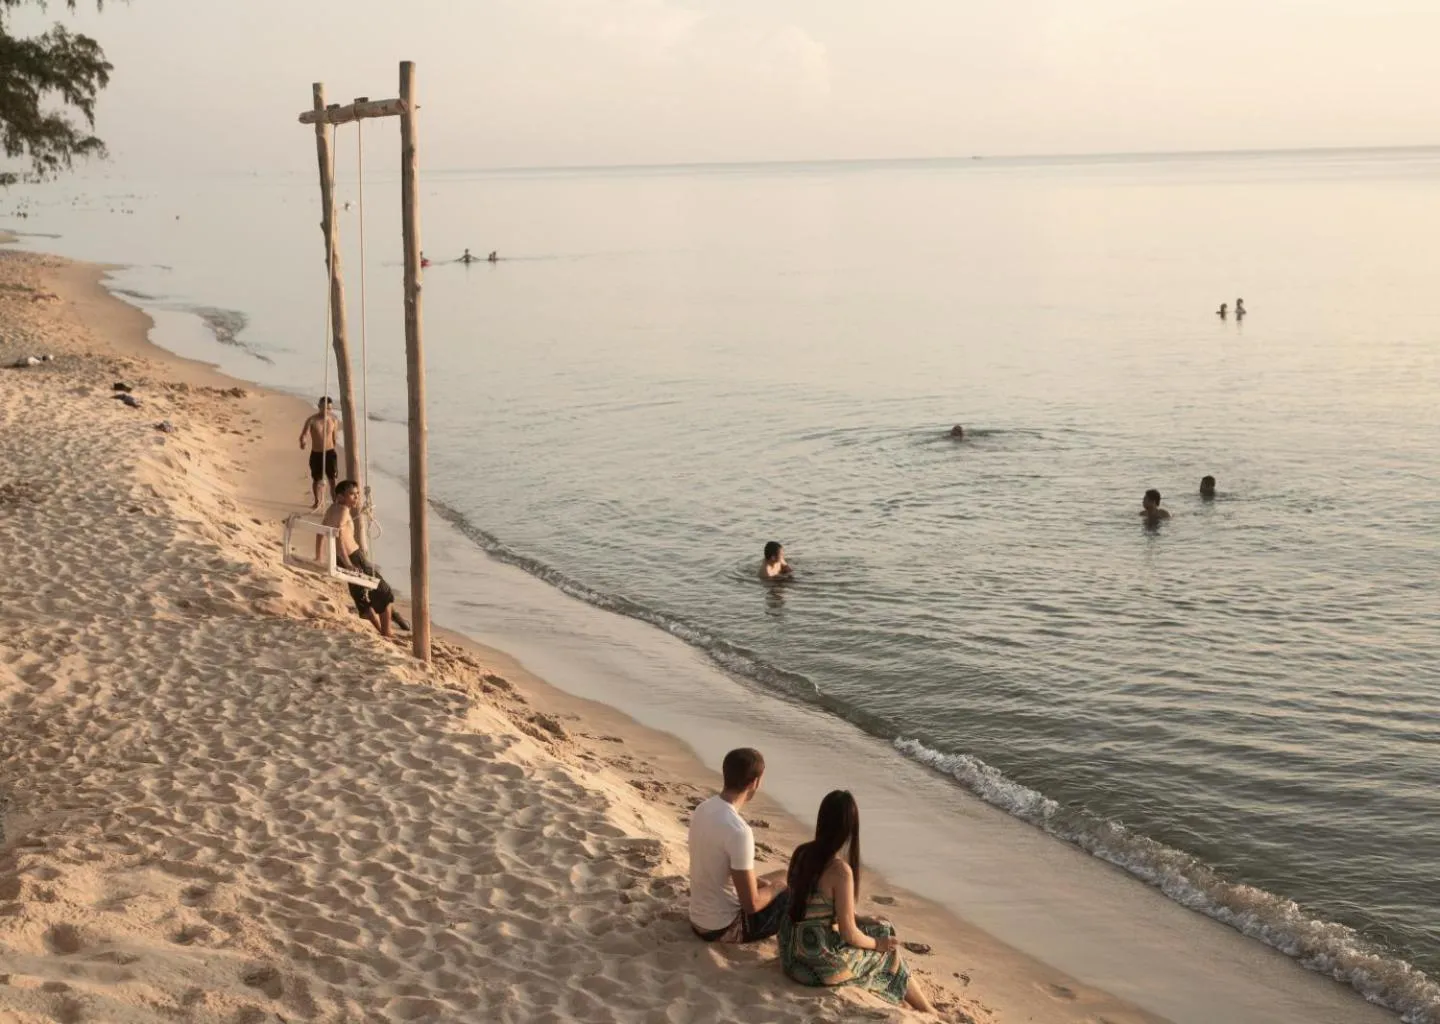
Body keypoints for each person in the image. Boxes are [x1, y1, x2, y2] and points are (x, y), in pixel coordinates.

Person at [779, 790, 934, 1013]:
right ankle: (928, 1010)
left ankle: (911, 997)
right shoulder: (839, 870)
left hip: (790, 951)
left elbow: (810, 906)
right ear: (849, 830)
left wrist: (860, 918)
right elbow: (848, 934)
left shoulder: (801, 852)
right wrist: (877, 945)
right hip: (813, 963)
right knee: (887, 951)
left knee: (881, 926)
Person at [687, 748, 789, 944]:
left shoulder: (703, 809)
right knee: (793, 891)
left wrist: (767, 883)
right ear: (754, 783)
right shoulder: (739, 831)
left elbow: (720, 867)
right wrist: (777, 888)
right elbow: (751, 905)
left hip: (697, 918)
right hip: (723, 928)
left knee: (785, 873)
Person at [323, 480, 398, 637]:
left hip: (340, 558)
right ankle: (387, 632)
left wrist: (318, 555)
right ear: (340, 496)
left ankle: (382, 632)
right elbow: (339, 539)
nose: (356, 497)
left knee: (360, 596)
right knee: (385, 592)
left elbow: (321, 532)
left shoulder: (331, 509)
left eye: (357, 494)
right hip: (352, 558)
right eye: (352, 494)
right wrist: (349, 564)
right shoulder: (343, 511)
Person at [298, 397, 340, 510]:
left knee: (332, 480)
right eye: (324, 408)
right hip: (316, 453)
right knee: (316, 479)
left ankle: (335, 502)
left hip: (330, 453)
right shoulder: (312, 420)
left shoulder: (334, 420)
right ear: (319, 407)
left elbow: (334, 437)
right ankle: (317, 501)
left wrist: (333, 450)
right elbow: (304, 434)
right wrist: (303, 441)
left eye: (329, 408)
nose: (327, 411)